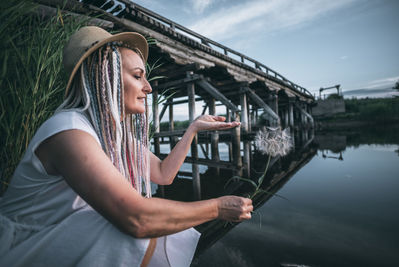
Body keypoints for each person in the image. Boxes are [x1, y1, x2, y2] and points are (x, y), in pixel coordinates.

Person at [0, 26, 252, 266]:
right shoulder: (69, 131)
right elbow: (137, 219)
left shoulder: (110, 133)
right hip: (21, 244)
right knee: (138, 230)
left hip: (60, 233)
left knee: (161, 224)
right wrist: (217, 208)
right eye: (137, 76)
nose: (149, 87)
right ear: (104, 76)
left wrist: (193, 128)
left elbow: (163, 174)